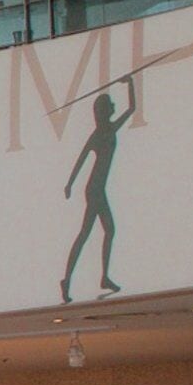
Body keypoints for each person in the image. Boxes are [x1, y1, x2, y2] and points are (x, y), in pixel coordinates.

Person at [58, 80, 126, 301]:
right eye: (110, 105)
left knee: (105, 231)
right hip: (94, 190)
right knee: (87, 234)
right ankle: (68, 280)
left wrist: (130, 85)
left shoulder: (109, 129)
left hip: (98, 189)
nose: (113, 107)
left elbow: (132, 108)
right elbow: (81, 160)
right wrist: (69, 184)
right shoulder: (99, 134)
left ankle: (101, 277)